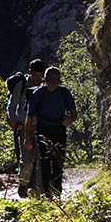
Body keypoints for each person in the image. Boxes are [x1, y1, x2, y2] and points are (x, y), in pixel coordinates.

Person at [23, 66, 77, 198]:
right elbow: (29, 117)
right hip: (43, 129)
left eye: (55, 82)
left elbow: (74, 113)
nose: (53, 85)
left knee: (58, 161)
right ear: (45, 80)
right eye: (50, 82)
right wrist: (27, 138)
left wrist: (69, 120)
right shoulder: (38, 93)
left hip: (59, 128)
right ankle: (48, 193)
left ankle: (57, 192)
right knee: (45, 162)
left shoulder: (64, 92)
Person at [4, 59, 46, 177]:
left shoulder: (45, 86)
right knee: (27, 159)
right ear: (29, 72)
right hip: (23, 127)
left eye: (40, 76)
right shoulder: (21, 86)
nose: (37, 78)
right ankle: (24, 183)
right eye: (35, 75)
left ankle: (36, 187)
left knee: (41, 158)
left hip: (41, 127)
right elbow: (11, 107)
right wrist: (16, 122)